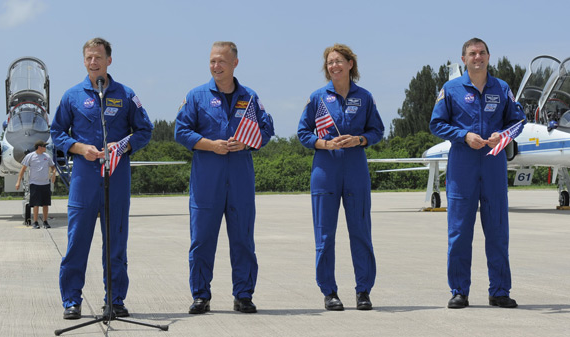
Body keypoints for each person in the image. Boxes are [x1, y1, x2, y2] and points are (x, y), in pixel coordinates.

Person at [51, 37, 153, 319]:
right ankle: (72, 300)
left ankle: (115, 300)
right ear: (84, 61)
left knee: (116, 243)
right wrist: (80, 148)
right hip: (84, 177)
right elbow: (57, 132)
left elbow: (145, 130)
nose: (93, 62)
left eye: (98, 57)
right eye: (88, 58)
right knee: (77, 242)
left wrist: (123, 145)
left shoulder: (127, 94)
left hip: (117, 174)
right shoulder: (72, 96)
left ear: (109, 60)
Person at [175, 41, 274, 314]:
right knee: (202, 241)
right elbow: (181, 132)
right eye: (212, 61)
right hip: (207, 182)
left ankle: (243, 294)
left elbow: (267, 129)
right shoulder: (196, 96)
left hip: (240, 181)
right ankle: (200, 295)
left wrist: (248, 143)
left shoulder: (250, 98)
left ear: (235, 64)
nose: (216, 66)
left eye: (221, 61)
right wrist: (211, 144)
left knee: (243, 240)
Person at [430, 38, 526, 309]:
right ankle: (459, 290)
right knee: (459, 232)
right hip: (463, 167)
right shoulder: (451, 89)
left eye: (482, 53)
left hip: (493, 166)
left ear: (489, 56)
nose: (478, 57)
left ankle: (499, 291)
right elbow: (436, 123)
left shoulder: (502, 87)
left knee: (497, 231)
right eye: (472, 53)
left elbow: (518, 121)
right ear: (464, 59)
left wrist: (503, 135)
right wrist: (463, 135)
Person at [297, 44, 384, 311]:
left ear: (350, 64)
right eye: (329, 62)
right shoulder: (317, 98)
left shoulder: (365, 97)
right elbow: (303, 132)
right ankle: (329, 292)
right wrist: (322, 144)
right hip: (325, 171)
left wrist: (359, 139)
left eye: (338, 61)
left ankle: (363, 291)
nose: (334, 66)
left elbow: (377, 130)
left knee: (361, 232)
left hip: (356, 169)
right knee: (325, 235)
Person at [15, 140, 56, 229]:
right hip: (35, 184)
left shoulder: (47, 156)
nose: (45, 147)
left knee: (46, 204)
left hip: (45, 183)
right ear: (39, 147)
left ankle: (45, 222)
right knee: (36, 204)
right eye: (44, 146)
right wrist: (18, 181)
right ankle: (36, 222)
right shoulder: (30, 156)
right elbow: (23, 169)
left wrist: (53, 174)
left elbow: (53, 167)